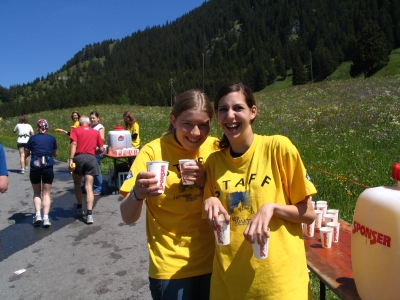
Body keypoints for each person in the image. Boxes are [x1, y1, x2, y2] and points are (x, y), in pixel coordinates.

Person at [203, 82, 317, 299]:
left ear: (253, 112)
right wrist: (208, 202)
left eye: (238, 108)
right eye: (223, 109)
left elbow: (308, 214)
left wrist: (273, 208)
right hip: (228, 284)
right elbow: (218, 218)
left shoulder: (278, 148)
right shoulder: (214, 162)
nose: (230, 116)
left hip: (278, 285)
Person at [119, 90, 219, 300]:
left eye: (203, 125)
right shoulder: (152, 152)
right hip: (170, 267)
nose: (195, 132)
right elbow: (127, 217)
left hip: (215, 262)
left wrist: (206, 180)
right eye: (187, 123)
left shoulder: (216, 148)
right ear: (173, 120)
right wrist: (137, 193)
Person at [69, 116, 105, 224]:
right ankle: (89, 214)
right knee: (89, 187)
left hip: (78, 158)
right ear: (88, 123)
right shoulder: (95, 132)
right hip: (91, 159)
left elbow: (73, 144)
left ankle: (80, 206)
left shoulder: (75, 130)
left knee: (77, 183)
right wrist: (94, 154)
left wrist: (71, 159)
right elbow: (102, 149)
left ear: (80, 123)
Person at [25, 119, 58, 227]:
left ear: (37, 128)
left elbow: (27, 152)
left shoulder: (32, 138)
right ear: (47, 127)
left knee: (36, 193)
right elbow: (55, 153)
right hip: (48, 166)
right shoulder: (51, 138)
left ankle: (38, 214)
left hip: (35, 166)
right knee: (46, 193)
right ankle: (46, 218)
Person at [81, 111, 105, 195]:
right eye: (91, 118)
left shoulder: (100, 127)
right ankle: (87, 186)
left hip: (98, 151)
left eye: (94, 118)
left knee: (96, 169)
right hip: (90, 151)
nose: (92, 119)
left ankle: (98, 188)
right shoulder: (91, 127)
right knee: (88, 169)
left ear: (98, 118)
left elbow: (102, 139)